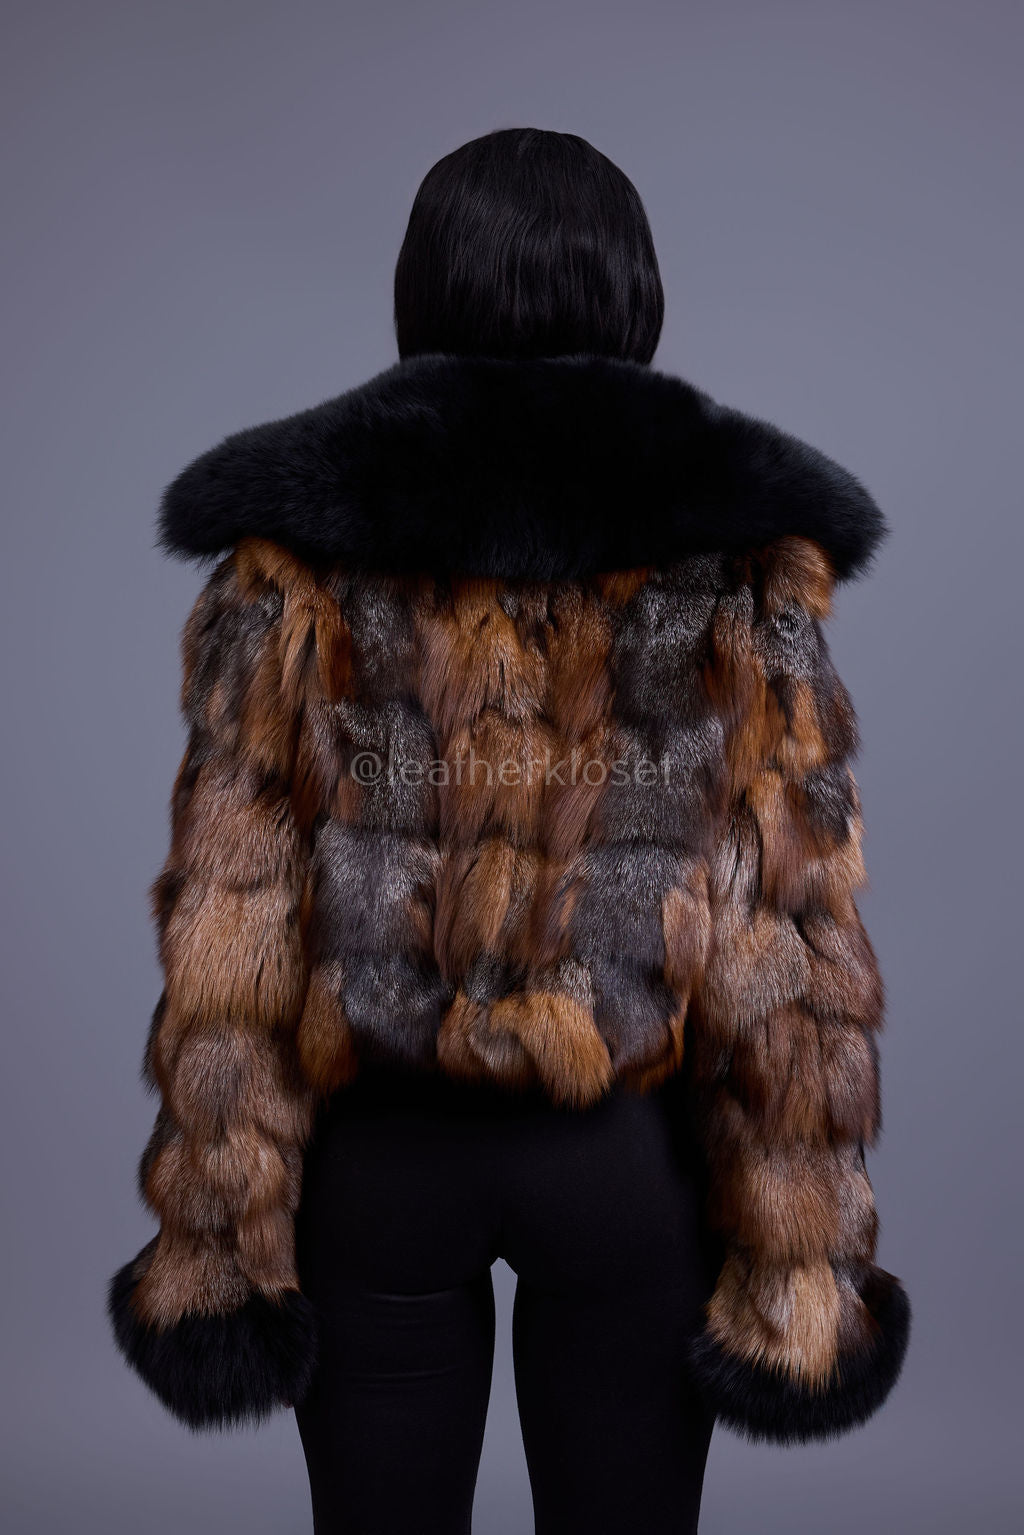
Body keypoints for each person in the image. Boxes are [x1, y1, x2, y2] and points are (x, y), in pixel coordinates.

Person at [109, 127, 909, 1534]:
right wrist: (801, 1268)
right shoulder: (735, 556)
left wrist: (215, 1257)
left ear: (421, 286)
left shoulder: (296, 550)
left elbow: (230, 929)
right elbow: (787, 945)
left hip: (379, 1168)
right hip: (620, 1167)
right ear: (634, 292)